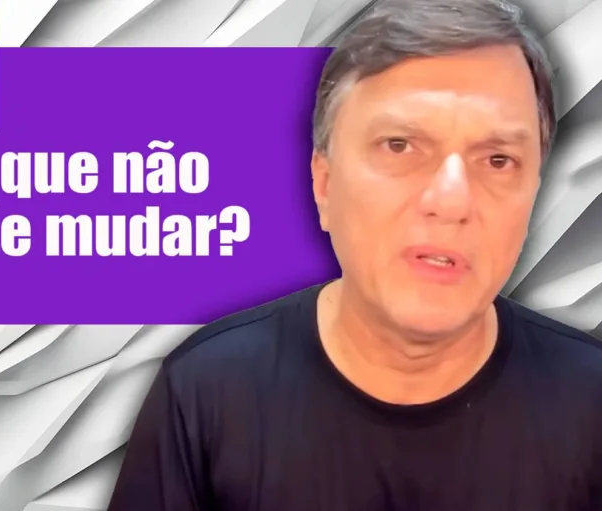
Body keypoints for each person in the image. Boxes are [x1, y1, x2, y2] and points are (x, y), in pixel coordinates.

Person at [107, 0, 602, 509]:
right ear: (324, 185)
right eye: (399, 146)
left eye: (498, 160)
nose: (452, 200)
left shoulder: (592, 404)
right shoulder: (207, 391)